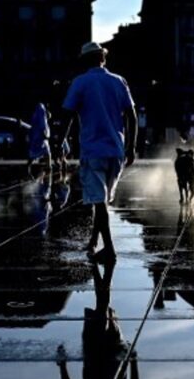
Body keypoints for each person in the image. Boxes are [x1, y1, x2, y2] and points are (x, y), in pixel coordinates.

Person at [60, 41, 137, 261]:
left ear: (85, 60)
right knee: (101, 200)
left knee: (99, 201)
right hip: (116, 150)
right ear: (103, 58)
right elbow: (131, 116)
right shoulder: (118, 81)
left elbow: (68, 114)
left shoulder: (80, 82)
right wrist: (131, 146)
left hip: (93, 150)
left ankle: (109, 249)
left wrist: (59, 143)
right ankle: (94, 241)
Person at [26, 102, 52, 177]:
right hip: (40, 135)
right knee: (47, 151)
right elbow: (43, 122)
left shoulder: (37, 111)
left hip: (37, 134)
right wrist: (45, 133)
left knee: (37, 151)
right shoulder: (41, 108)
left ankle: (29, 165)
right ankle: (49, 167)